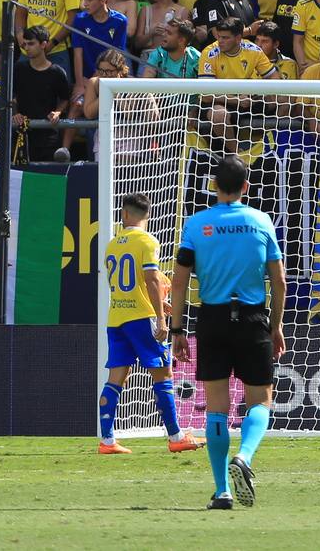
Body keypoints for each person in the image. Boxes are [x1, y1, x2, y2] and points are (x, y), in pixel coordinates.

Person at [169, 154, 286, 510]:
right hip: (251, 318)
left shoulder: (196, 224)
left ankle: (222, 491)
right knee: (260, 400)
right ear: (246, 187)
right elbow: (279, 281)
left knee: (217, 408)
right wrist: (276, 326)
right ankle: (245, 457)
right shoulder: (260, 221)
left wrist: (177, 329)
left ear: (215, 186)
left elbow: (178, 280)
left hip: (213, 319)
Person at [98, 192, 206, 455]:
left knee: (115, 379)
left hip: (117, 318)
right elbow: (152, 280)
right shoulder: (147, 241)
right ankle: (176, 436)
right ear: (149, 215)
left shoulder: (112, 245)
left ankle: (107, 441)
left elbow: (132, 283)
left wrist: (158, 304)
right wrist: (160, 316)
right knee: (163, 374)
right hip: (141, 318)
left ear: (124, 215)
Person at [12, 25, 71, 163]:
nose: (26, 48)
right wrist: (15, 113)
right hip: (22, 134)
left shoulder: (57, 72)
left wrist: (58, 112)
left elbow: (65, 99)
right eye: (24, 44)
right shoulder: (19, 69)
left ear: (44, 44)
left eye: (31, 43)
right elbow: (11, 96)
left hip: (47, 136)